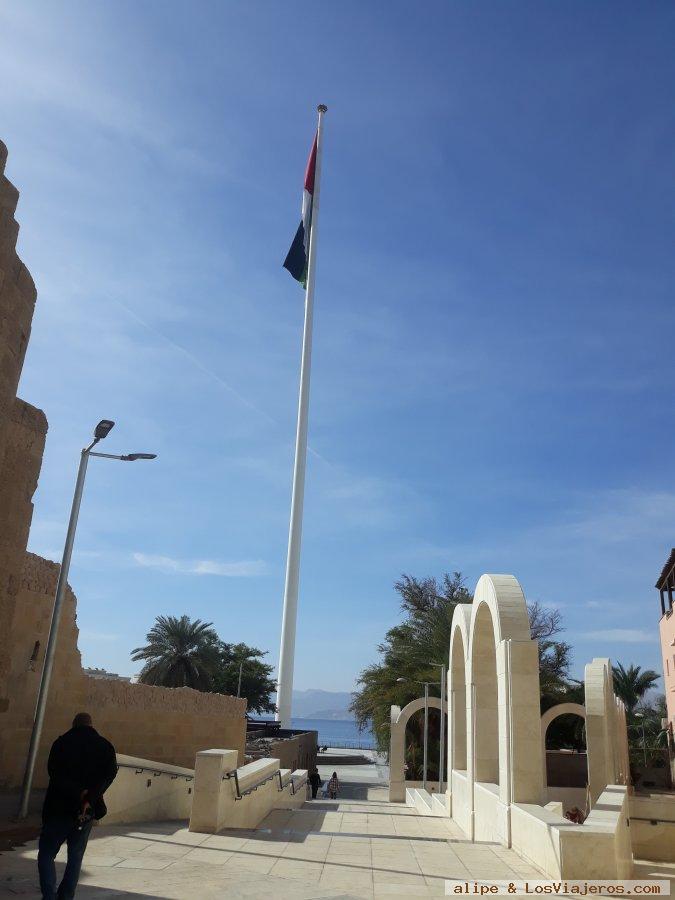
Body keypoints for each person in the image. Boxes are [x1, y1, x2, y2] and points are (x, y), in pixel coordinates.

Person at [38, 713, 118, 900]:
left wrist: (77, 791)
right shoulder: (105, 746)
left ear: (74, 724)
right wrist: (90, 795)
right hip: (85, 810)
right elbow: (110, 773)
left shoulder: (61, 743)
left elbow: (54, 772)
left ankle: (49, 896)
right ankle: (66, 896)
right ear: (91, 724)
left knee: (46, 854)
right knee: (75, 856)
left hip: (58, 807)